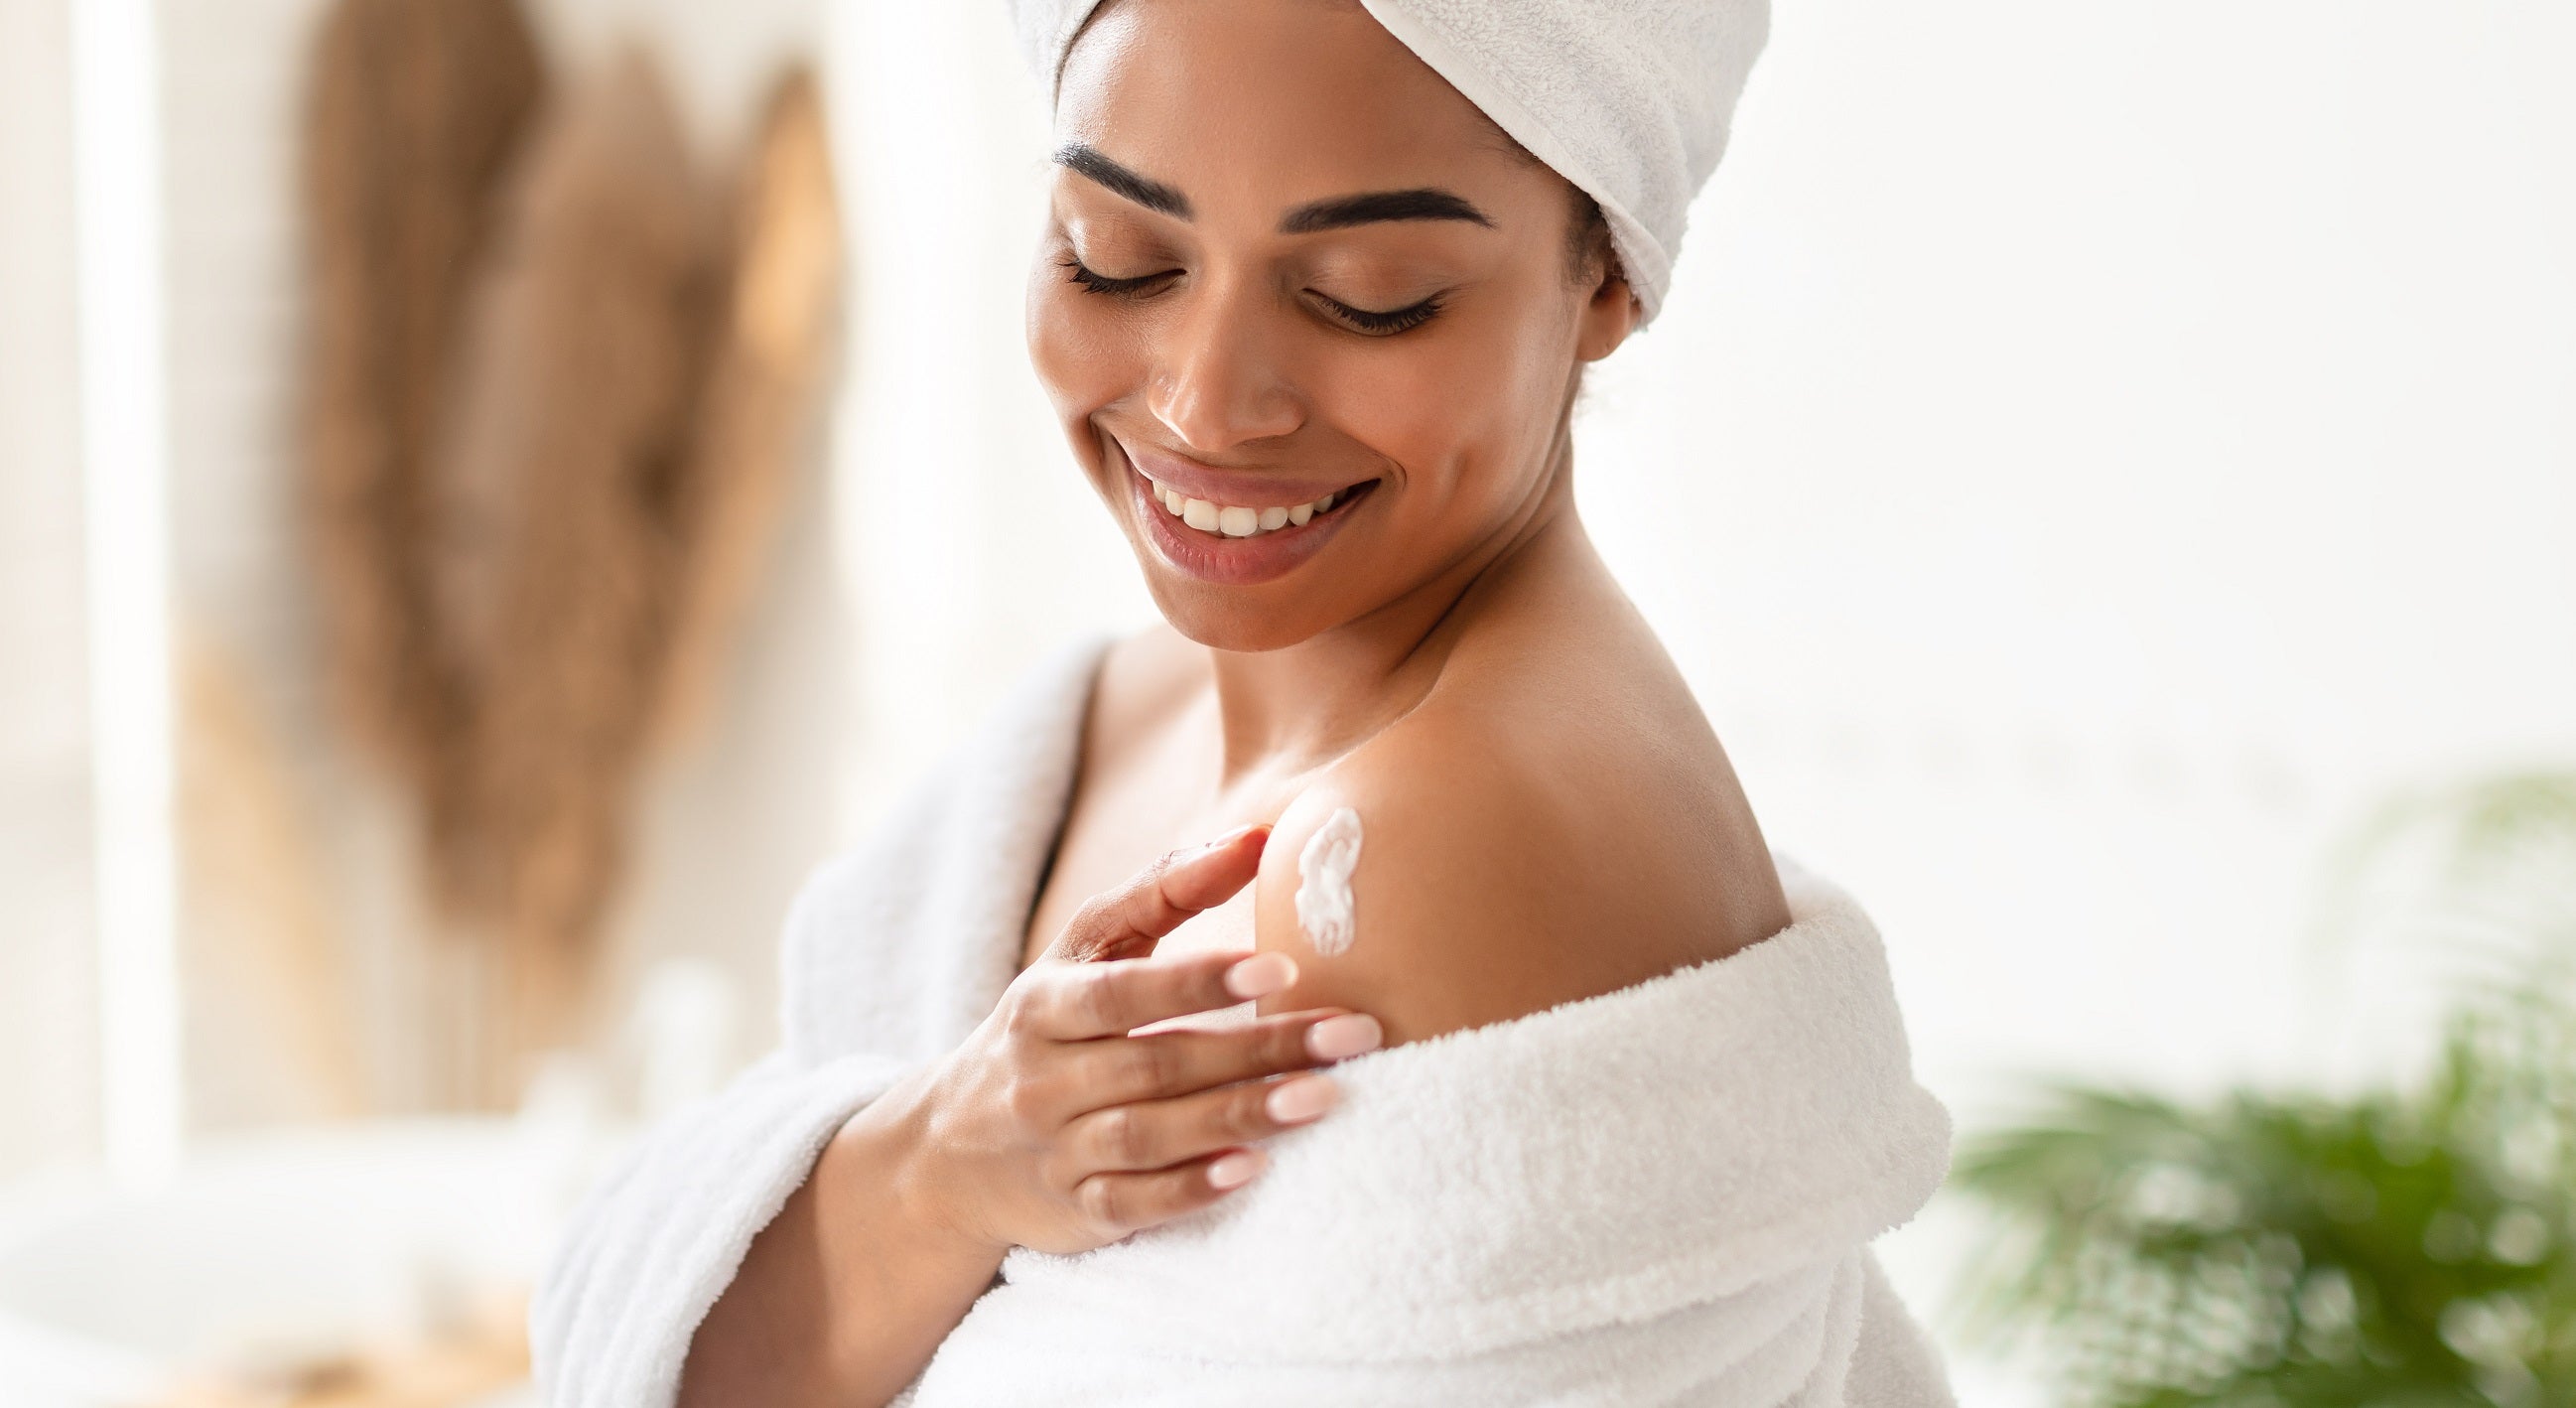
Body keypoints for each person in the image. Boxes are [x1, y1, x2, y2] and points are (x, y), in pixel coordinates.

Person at [533, 2, 1957, 1404]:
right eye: (1118, 259)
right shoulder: (1111, 713)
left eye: (1367, 291)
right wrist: (939, 1166)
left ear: (1605, 282)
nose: (1207, 406)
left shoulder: (1434, 851)